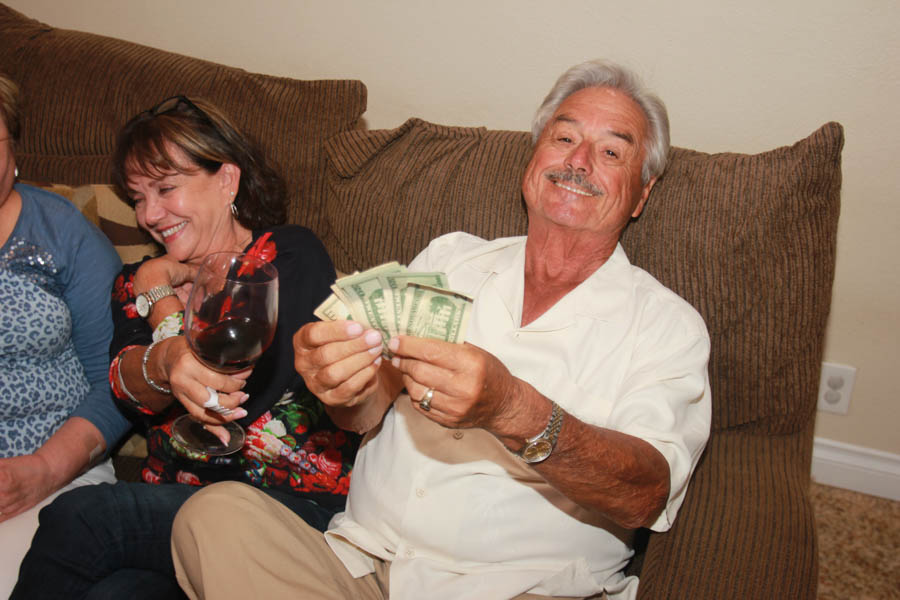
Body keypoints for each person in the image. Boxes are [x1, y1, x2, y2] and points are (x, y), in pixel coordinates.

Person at [172, 59, 712, 600]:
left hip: (525, 588)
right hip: (363, 568)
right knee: (212, 517)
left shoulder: (668, 326)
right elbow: (361, 414)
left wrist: (513, 409)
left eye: (612, 151)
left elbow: (645, 494)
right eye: (564, 136)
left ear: (642, 193)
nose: (579, 161)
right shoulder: (452, 259)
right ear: (533, 159)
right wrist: (341, 385)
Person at [13, 95, 359, 599]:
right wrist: (153, 290)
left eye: (165, 189)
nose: (149, 214)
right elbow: (129, 392)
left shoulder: (285, 257)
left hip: (286, 509)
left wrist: (164, 308)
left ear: (227, 181)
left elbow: (242, 393)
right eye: (136, 198)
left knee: (81, 518)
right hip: (172, 503)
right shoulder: (135, 281)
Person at [0, 74, 130, 596]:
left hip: (54, 472)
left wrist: (42, 472)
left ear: (14, 147)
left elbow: (119, 381)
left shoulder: (63, 234)